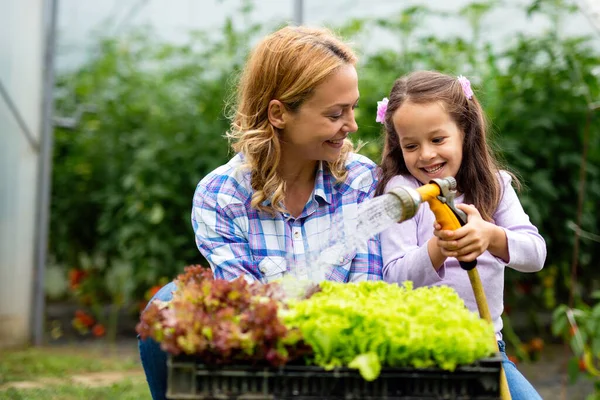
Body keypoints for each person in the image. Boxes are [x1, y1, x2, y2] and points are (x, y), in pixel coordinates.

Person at [139, 25, 383, 400]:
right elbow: (249, 313)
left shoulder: (362, 180)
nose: (351, 125)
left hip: (345, 369)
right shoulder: (221, 195)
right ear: (279, 113)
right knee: (169, 303)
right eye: (335, 114)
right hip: (262, 369)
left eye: (353, 108)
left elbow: (366, 292)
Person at [376, 70, 546, 400]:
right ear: (399, 145)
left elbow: (536, 254)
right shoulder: (402, 193)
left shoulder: (493, 187)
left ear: (464, 131)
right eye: (411, 145)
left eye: (438, 140)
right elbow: (393, 279)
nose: (426, 154)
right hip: (420, 361)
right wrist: (437, 249)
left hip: (486, 353)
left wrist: (491, 236)